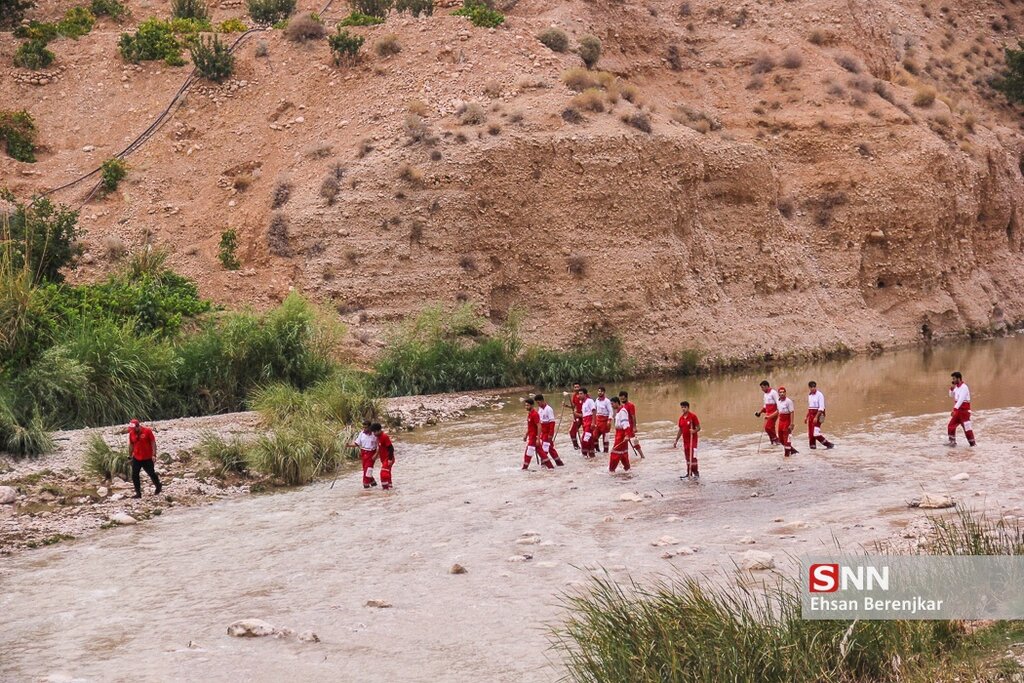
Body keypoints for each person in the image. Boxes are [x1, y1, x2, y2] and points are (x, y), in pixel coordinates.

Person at [125, 419, 161, 498]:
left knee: (151, 473)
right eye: (132, 429)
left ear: (138, 426)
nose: (133, 430)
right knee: (135, 475)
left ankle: (158, 486)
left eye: (134, 428)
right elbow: (131, 445)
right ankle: (138, 493)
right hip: (137, 457)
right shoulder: (131, 433)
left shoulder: (147, 431)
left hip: (147, 458)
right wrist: (130, 456)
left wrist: (154, 455)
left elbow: (153, 442)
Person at [947, 371, 977, 447]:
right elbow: (951, 395)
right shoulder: (956, 387)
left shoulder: (964, 387)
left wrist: (954, 409)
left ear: (959, 378)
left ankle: (973, 445)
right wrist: (951, 389)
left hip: (964, 412)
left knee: (967, 429)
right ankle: (952, 442)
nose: (953, 380)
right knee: (951, 426)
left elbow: (961, 400)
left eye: (954, 379)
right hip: (958, 411)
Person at [673, 401, 701, 479]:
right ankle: (689, 473)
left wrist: (694, 431)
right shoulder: (681, 418)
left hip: (693, 441)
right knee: (687, 457)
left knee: (693, 457)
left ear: (688, 408)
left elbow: (699, 427)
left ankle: (696, 473)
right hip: (685, 441)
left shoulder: (693, 416)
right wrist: (676, 440)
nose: (683, 409)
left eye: (685, 407)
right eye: (682, 407)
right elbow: (680, 430)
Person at [536, 394, 564, 467]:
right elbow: (539, 422)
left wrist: (550, 434)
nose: (538, 404)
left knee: (544, 448)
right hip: (543, 432)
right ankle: (559, 462)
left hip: (548, 432)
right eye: (537, 403)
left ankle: (544, 464)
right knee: (550, 448)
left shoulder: (549, 409)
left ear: (542, 401)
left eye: (538, 402)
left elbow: (552, 423)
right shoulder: (540, 409)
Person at [348, 421, 379, 489]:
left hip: (371, 454)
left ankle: (366, 486)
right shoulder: (362, 433)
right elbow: (357, 444)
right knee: (365, 469)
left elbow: (379, 446)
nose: (364, 429)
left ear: (370, 427)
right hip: (364, 453)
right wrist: (348, 445)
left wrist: (376, 454)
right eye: (364, 427)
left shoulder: (374, 434)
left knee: (367, 470)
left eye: (366, 428)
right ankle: (373, 483)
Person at [805, 381, 835, 450]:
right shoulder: (809, 395)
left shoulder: (820, 395)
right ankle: (813, 449)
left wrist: (816, 417)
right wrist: (806, 417)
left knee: (816, 433)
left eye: (814, 387)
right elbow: (810, 407)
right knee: (811, 434)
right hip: (811, 415)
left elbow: (821, 407)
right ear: (809, 388)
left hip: (819, 414)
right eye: (811, 387)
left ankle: (829, 445)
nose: (813, 388)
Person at [522, 397, 550, 470]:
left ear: (532, 405)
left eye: (527, 405)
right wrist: (526, 435)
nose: (526, 407)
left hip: (534, 438)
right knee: (542, 453)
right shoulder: (529, 414)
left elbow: (539, 426)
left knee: (528, 452)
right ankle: (550, 467)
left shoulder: (535, 414)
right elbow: (530, 427)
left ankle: (524, 468)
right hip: (531, 437)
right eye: (525, 405)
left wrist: (538, 438)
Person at [618, 391, 646, 458]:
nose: (622, 400)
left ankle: (642, 456)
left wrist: (634, 427)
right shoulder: (621, 406)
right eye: (621, 399)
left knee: (634, 441)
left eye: (623, 398)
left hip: (630, 427)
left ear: (626, 397)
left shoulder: (630, 405)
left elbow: (633, 416)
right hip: (624, 427)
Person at [609, 397, 632, 472]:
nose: (611, 406)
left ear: (616, 403)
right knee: (623, 453)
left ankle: (611, 470)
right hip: (619, 434)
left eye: (612, 404)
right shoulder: (618, 411)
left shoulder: (622, 412)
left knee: (614, 453)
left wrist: (627, 435)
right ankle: (627, 469)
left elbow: (626, 424)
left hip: (621, 435)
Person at [754, 380, 780, 446]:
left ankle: (776, 440)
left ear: (766, 386)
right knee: (769, 428)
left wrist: (777, 412)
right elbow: (765, 406)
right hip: (768, 414)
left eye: (762, 387)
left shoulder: (773, 392)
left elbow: (779, 403)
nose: (762, 389)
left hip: (773, 413)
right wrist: (759, 412)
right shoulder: (765, 395)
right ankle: (773, 442)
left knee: (768, 427)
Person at [371, 423, 395, 489]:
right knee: (387, 474)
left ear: (379, 430)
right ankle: (390, 488)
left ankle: (385, 490)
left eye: (374, 432)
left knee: (383, 474)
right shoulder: (378, 437)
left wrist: (390, 459)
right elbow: (380, 448)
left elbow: (391, 448)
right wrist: (376, 455)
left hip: (388, 458)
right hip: (383, 459)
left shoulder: (384, 436)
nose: (374, 434)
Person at [776, 387, 798, 457]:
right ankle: (793, 451)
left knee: (787, 439)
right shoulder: (778, 401)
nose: (782, 393)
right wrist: (769, 417)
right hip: (781, 421)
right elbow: (778, 411)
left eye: (783, 392)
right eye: (780, 392)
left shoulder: (789, 401)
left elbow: (792, 412)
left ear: (785, 393)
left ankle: (787, 456)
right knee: (781, 439)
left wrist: (791, 424)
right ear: (778, 394)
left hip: (787, 421)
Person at [593, 387, 614, 454]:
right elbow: (594, 410)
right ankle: (597, 450)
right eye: (599, 391)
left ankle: (605, 453)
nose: (600, 392)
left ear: (604, 392)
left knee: (605, 439)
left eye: (601, 391)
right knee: (594, 437)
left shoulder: (607, 401)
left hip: (605, 422)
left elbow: (611, 412)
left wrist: (609, 420)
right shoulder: (597, 400)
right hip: (598, 421)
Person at [565, 383, 584, 450]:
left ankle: (589, 447)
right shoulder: (574, 396)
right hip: (577, 416)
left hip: (585, 416)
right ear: (573, 388)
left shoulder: (584, 395)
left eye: (578, 387)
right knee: (572, 431)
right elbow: (573, 406)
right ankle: (576, 447)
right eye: (575, 387)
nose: (577, 388)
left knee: (587, 433)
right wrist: (566, 406)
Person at [580, 388, 597, 459]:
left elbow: (594, 411)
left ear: (585, 394)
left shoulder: (590, 401)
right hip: (585, 423)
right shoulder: (583, 403)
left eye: (581, 394)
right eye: (579, 394)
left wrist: (593, 422)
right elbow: (583, 415)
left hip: (589, 423)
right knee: (590, 440)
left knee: (585, 439)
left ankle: (584, 454)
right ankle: (592, 455)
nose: (579, 395)